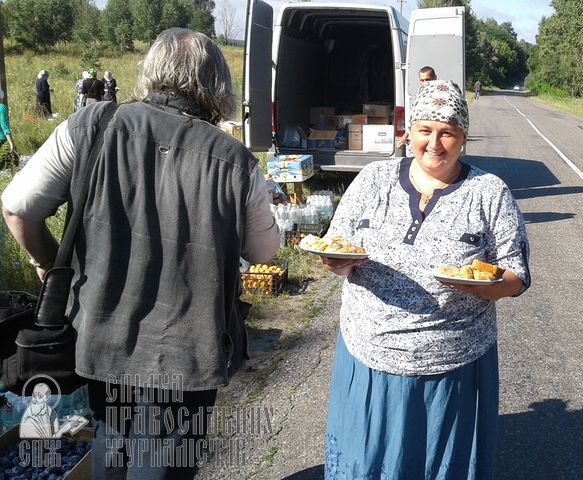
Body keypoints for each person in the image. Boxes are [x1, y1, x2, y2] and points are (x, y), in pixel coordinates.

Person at [2, 28, 279, 479]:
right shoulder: (236, 161)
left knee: (113, 445)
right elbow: (264, 250)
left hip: (101, 336)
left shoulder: (91, 125)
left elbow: (16, 209)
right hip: (190, 349)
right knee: (165, 461)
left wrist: (53, 266)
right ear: (217, 87)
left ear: (151, 72)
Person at [320, 79, 530, 479]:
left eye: (447, 132)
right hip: (370, 355)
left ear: (464, 138)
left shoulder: (488, 192)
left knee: (437, 465)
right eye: (425, 131)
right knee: (366, 464)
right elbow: (338, 241)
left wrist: (488, 286)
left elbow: (516, 274)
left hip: (451, 364)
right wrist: (336, 261)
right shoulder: (373, 180)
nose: (435, 143)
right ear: (408, 134)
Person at [395, 65, 437, 151]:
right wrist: (405, 137)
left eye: (428, 80)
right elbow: (414, 120)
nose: (425, 83)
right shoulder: (420, 95)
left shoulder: (439, 96)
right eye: (422, 80)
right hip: (417, 140)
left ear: (435, 78)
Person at [0, 87, 16, 165]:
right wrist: (11, 143)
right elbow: (4, 126)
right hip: (1, 139)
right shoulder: (1, 108)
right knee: (6, 165)